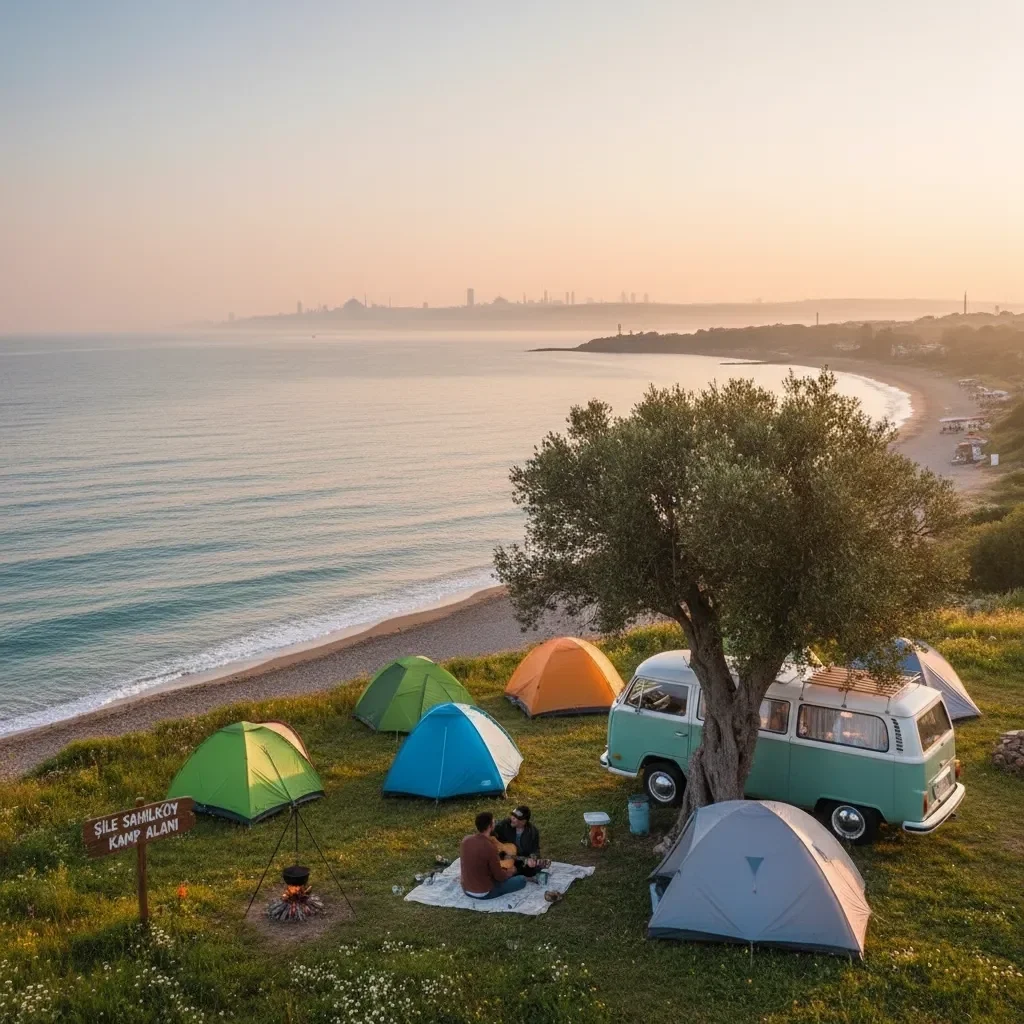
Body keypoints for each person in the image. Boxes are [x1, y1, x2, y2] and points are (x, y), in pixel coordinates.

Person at [459, 811, 527, 901]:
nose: (495, 823)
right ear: (490, 826)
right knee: (521, 880)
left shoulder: (465, 840)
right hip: (484, 892)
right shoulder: (490, 847)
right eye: (493, 822)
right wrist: (510, 872)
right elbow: (499, 877)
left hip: (466, 889)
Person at [493, 805, 547, 879]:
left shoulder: (533, 832)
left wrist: (533, 858)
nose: (512, 818)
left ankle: (516, 872)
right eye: (512, 815)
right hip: (503, 858)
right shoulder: (503, 825)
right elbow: (489, 833)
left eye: (515, 818)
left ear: (523, 821)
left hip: (520, 860)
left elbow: (535, 850)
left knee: (531, 870)